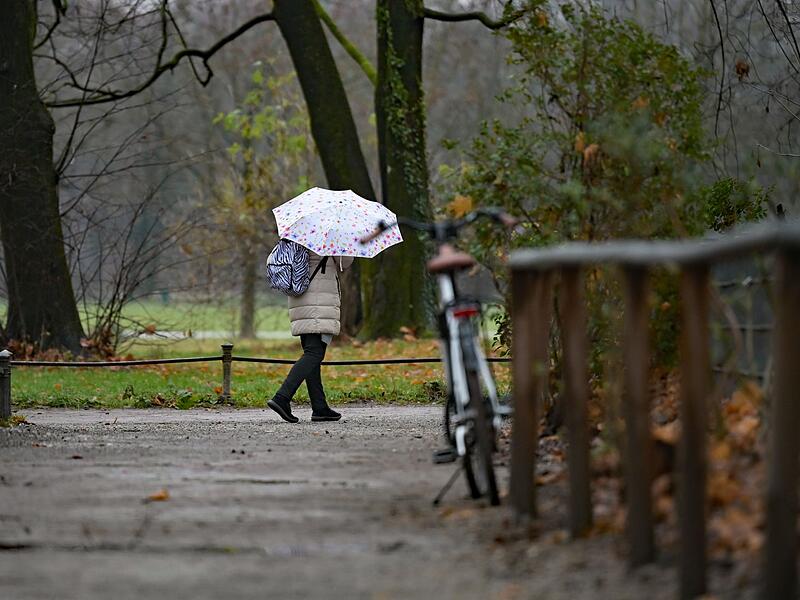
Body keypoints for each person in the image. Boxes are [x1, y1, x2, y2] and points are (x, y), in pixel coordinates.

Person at [268, 252, 353, 423]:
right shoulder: (327, 236)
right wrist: (347, 247)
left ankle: (319, 407)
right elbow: (345, 263)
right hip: (318, 301)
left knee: (312, 354)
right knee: (314, 354)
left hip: (301, 298)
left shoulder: (299, 235)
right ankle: (282, 397)